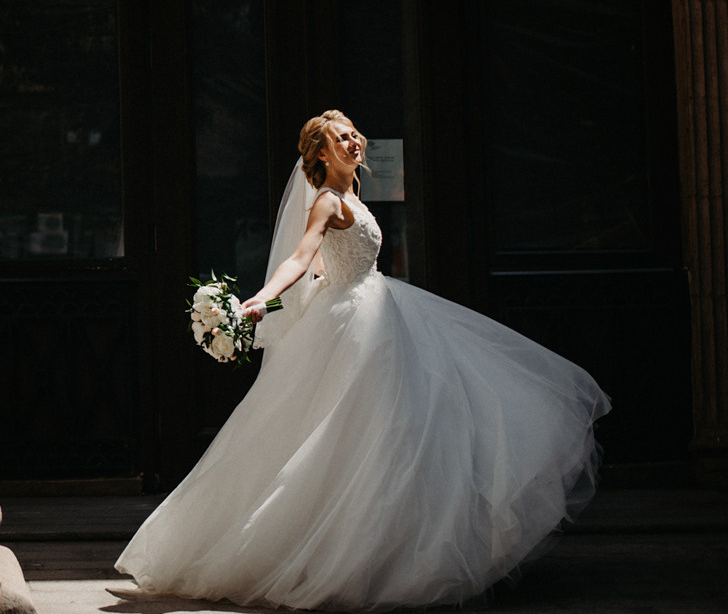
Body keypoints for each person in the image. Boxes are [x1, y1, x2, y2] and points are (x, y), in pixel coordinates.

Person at [114, 110, 609, 612]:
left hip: (376, 312)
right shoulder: (328, 201)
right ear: (321, 153)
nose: (353, 143)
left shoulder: (352, 196)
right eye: (340, 138)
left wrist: (295, 296)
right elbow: (301, 258)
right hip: (354, 327)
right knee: (360, 435)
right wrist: (263, 299)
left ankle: (392, 547)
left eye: (354, 135)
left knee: (401, 431)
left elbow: (324, 270)